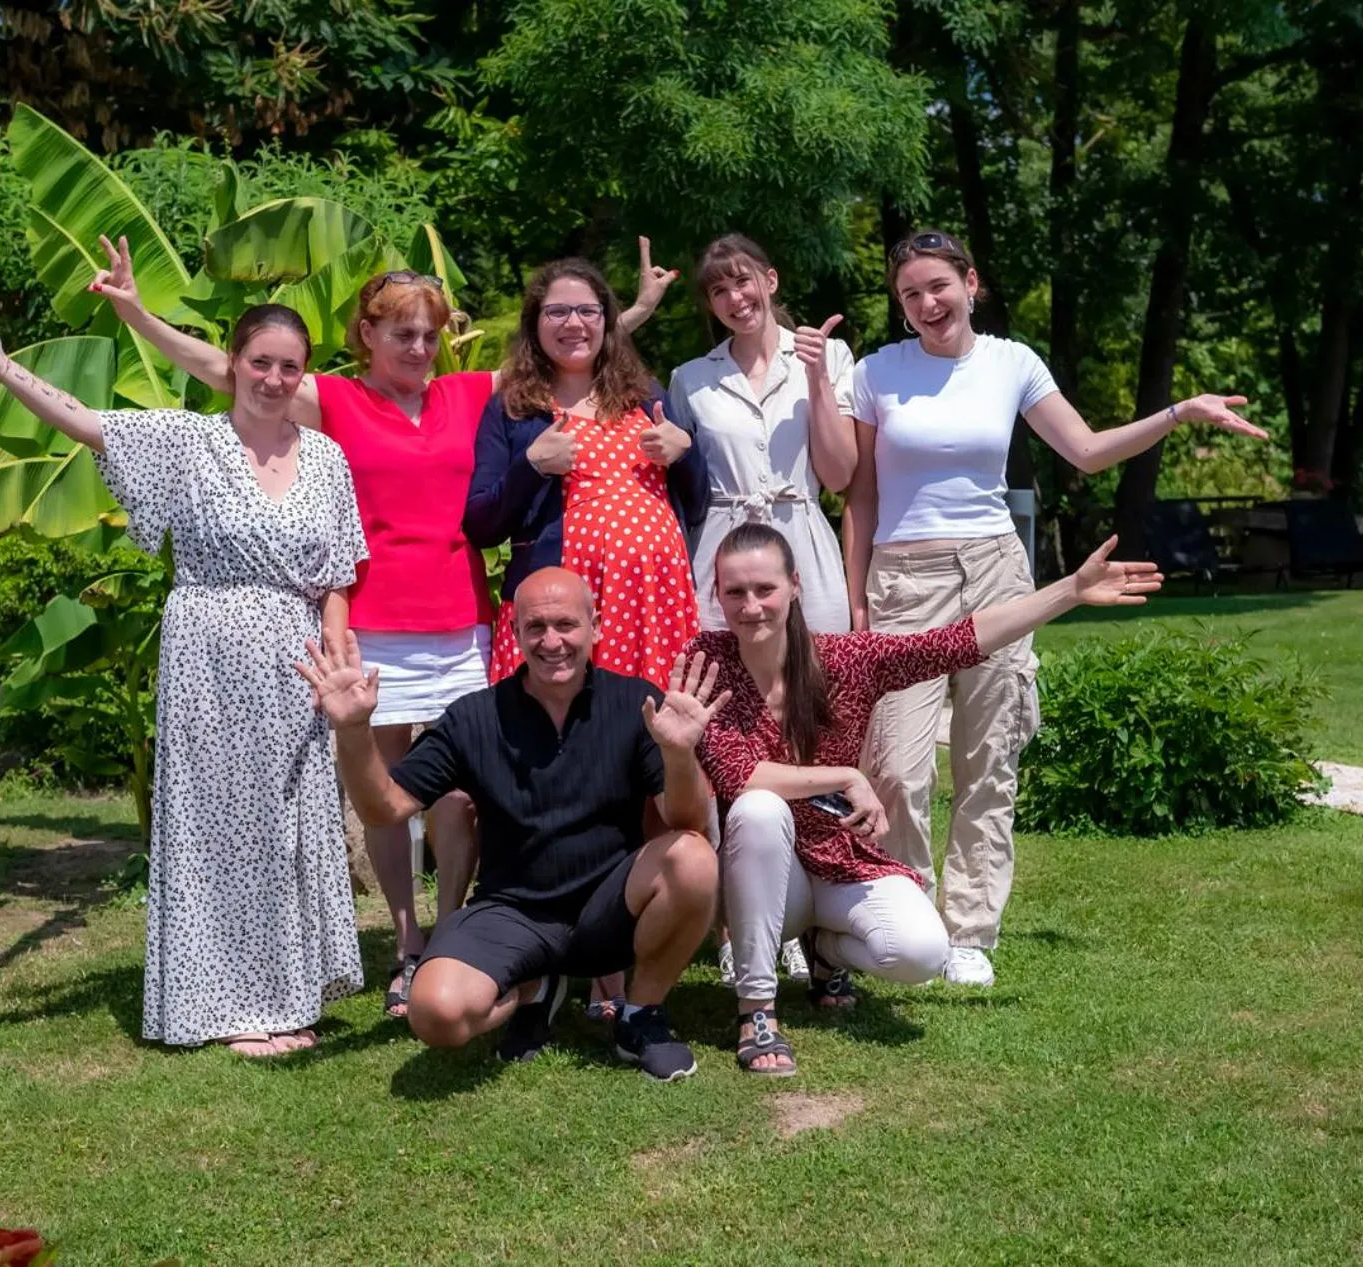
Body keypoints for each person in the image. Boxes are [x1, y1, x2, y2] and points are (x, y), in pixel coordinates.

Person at [87, 239, 693, 1019]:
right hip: (371, 622)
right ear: (367, 334)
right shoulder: (335, 400)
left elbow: (563, 347)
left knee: (466, 791)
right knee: (387, 790)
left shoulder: (466, 394)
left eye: (429, 333)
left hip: (462, 620)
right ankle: (406, 941)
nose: (419, 346)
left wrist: (633, 310)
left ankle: (453, 932)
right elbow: (226, 370)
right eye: (402, 332)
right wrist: (138, 314)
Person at [0, 302, 368, 1057]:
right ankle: (226, 1003)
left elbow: (338, 572)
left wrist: (336, 654)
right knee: (217, 827)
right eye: (260, 361)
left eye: (289, 366)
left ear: (304, 373)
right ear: (233, 362)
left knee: (288, 828)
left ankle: (288, 993)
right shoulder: (188, 441)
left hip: (298, 668)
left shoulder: (326, 457)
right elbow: (84, 421)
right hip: (207, 660)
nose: (273, 378)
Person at [842, 228, 1265, 987]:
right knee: (897, 766)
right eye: (911, 294)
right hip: (904, 579)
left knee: (988, 757)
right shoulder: (877, 372)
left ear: (971, 284)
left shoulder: (1013, 362)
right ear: (900, 306)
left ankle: (970, 932)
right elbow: (861, 495)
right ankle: (909, 916)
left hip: (995, 570)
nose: (927, 303)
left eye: (939, 286)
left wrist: (1177, 412)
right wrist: (857, 604)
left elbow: (1088, 450)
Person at [691, 523, 1163, 1075]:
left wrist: (1070, 592)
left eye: (764, 589)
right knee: (758, 808)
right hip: (766, 876)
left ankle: (826, 951)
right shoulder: (707, 661)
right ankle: (757, 1010)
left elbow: (955, 642)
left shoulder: (844, 660)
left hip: (841, 862)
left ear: (795, 585)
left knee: (922, 953)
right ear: (717, 594)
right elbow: (740, 777)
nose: (751, 606)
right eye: (735, 592)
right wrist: (843, 776)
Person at [294, 568, 724, 1082]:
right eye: (535, 627)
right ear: (514, 633)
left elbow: (688, 823)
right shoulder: (474, 717)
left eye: (566, 625)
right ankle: (534, 988)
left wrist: (679, 756)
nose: (552, 641)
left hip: (610, 911)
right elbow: (383, 809)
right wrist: (353, 730)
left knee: (694, 858)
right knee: (434, 1015)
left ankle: (641, 1015)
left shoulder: (636, 703)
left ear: (596, 627)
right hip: (512, 912)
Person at [465, 256, 710, 690]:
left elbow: (697, 505)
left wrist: (684, 453)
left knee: (656, 722)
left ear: (606, 321)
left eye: (587, 311)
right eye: (557, 311)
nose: (573, 323)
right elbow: (481, 524)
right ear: (535, 323)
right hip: (563, 608)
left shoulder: (645, 395)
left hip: (654, 601)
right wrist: (532, 466)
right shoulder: (513, 409)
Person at [665, 234, 857, 633]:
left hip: (802, 539)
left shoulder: (828, 355)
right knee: (719, 663)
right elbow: (684, 487)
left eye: (742, 281)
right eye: (719, 291)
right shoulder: (690, 379)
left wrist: (818, 378)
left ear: (770, 281)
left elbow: (839, 476)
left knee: (818, 660)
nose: (735, 298)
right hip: (721, 549)